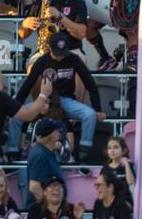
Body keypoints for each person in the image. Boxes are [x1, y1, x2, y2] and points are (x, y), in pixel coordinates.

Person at [14, 32, 103, 161]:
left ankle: (84, 151)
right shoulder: (42, 61)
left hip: (65, 100)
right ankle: (13, 151)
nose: (60, 57)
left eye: (63, 53)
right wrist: (16, 107)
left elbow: (90, 83)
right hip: (44, 101)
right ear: (49, 48)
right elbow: (27, 86)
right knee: (15, 117)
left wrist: (98, 108)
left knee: (90, 114)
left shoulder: (73, 59)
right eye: (57, 53)